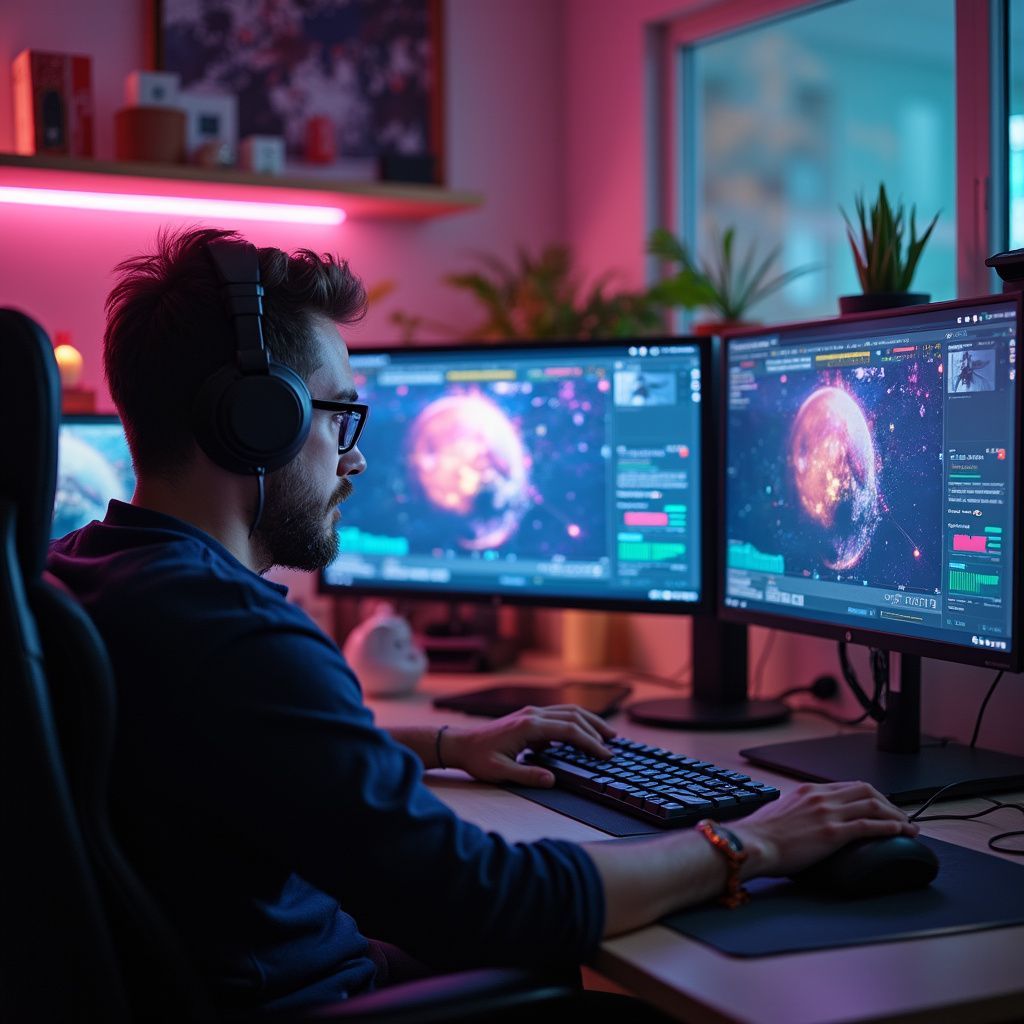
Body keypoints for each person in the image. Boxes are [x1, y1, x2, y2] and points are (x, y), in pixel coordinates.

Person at [47, 227, 918, 1020]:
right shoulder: (240, 639)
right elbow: (494, 901)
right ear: (256, 423)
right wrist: (752, 842)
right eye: (340, 414)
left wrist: (445, 744)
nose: (357, 457)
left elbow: (237, 743)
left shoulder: (77, 576)